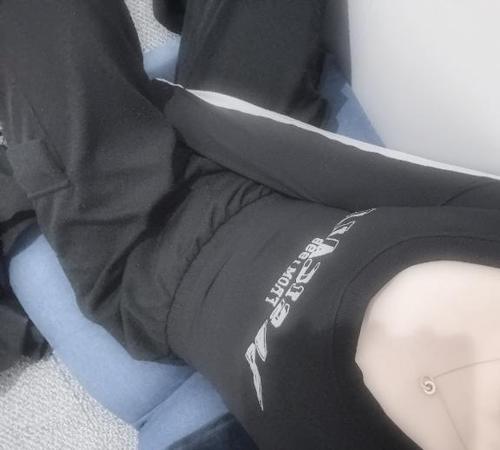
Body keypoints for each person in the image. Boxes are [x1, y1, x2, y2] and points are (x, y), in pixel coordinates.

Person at [1, 1, 500, 449]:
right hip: (261, 162)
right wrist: (191, 116)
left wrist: (136, 118)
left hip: (145, 257)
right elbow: (371, 173)